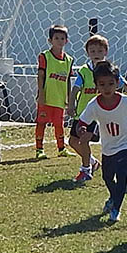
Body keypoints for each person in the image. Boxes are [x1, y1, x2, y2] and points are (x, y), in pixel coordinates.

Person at [74, 61, 127, 223]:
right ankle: (113, 197)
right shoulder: (94, 105)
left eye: (111, 84)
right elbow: (81, 123)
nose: (107, 88)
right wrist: (83, 133)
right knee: (107, 177)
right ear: (96, 85)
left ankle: (116, 209)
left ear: (118, 83)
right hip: (108, 147)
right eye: (102, 84)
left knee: (122, 176)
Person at [68, 34, 127, 182]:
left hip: (103, 113)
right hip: (84, 112)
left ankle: (86, 169)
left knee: (89, 139)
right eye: (92, 51)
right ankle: (92, 162)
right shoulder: (85, 71)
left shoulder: (110, 70)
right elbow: (75, 89)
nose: (96, 55)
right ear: (87, 53)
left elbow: (124, 85)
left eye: (99, 51)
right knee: (73, 141)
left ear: (106, 52)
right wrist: (71, 104)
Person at [34, 25, 75, 160]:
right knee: (41, 122)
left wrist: (69, 98)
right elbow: (40, 76)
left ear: (66, 41)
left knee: (59, 124)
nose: (59, 41)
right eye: (56, 38)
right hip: (46, 97)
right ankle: (39, 149)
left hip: (59, 98)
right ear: (50, 40)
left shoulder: (69, 60)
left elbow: (68, 80)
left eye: (62, 38)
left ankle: (61, 148)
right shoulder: (44, 56)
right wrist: (41, 94)